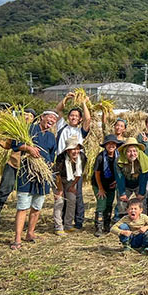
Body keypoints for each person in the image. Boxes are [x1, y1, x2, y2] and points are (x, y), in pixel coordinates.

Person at [10, 110, 58, 250]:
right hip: (27, 173)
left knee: (37, 207)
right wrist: (28, 148)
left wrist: (50, 165)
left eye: (54, 120)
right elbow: (15, 144)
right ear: (42, 117)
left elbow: (52, 154)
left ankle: (30, 233)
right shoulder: (29, 128)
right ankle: (17, 238)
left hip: (43, 175)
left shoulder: (50, 136)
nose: (52, 121)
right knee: (23, 206)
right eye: (50, 118)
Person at [0, 108, 37, 230]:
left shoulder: (36, 131)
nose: (27, 117)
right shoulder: (15, 131)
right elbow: (7, 145)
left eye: (30, 116)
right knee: (4, 189)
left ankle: (26, 223)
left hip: (29, 168)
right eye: (25, 114)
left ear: (33, 119)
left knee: (29, 194)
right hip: (13, 164)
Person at [54, 92, 92, 230]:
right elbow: (58, 110)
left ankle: (78, 221)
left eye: (76, 116)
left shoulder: (80, 131)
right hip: (61, 164)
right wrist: (66, 98)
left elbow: (88, 119)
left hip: (76, 165)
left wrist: (83, 102)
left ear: (80, 119)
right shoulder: (62, 126)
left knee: (76, 194)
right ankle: (63, 222)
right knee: (61, 194)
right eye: (72, 115)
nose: (73, 117)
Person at [53, 136, 87, 236]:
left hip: (71, 179)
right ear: (68, 150)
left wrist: (73, 186)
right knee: (59, 201)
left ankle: (68, 225)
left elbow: (79, 174)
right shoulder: (61, 158)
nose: (75, 151)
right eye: (73, 149)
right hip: (58, 179)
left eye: (77, 149)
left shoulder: (82, 158)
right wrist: (59, 190)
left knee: (72, 199)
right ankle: (58, 226)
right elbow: (57, 175)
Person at [115, 138, 148, 220]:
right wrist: (122, 193)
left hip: (139, 183)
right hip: (125, 184)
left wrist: (141, 192)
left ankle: (143, 220)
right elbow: (119, 177)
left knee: (142, 202)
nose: (132, 154)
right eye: (129, 151)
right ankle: (121, 220)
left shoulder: (144, 159)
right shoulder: (118, 161)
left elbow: (144, 176)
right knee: (122, 202)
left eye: (134, 151)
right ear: (125, 152)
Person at [92, 134, 121, 236]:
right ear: (105, 146)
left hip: (111, 184)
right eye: (108, 144)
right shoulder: (100, 157)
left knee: (109, 204)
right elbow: (97, 173)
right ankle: (98, 227)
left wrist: (117, 181)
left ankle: (107, 225)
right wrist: (100, 188)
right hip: (99, 183)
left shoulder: (119, 156)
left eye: (113, 144)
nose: (111, 146)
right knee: (102, 203)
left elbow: (120, 171)